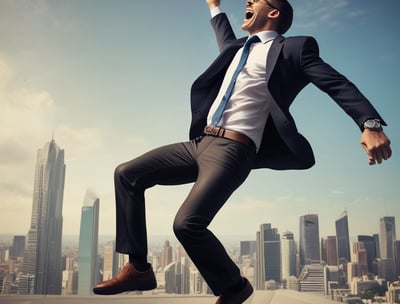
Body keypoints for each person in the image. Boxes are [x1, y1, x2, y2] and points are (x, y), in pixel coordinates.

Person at [93, 0, 392, 303]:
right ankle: (139, 268)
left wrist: (369, 123)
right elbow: (223, 33)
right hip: (200, 142)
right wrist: (214, 6)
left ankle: (234, 287)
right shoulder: (236, 49)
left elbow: (336, 83)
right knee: (127, 173)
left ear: (274, 12)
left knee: (187, 224)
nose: (248, 1)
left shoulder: (294, 49)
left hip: (234, 149)